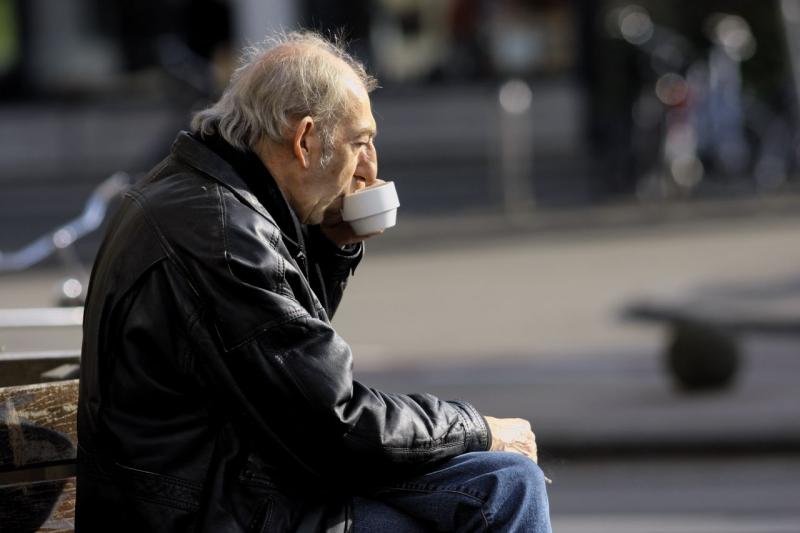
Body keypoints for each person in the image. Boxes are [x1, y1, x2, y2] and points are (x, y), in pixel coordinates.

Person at [76, 31, 551, 532]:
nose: (370, 168)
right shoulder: (225, 236)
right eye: (360, 142)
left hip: (239, 485)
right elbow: (336, 422)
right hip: (215, 511)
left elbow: (282, 372)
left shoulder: (203, 194)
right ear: (304, 141)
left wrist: (331, 247)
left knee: (501, 482)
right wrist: (478, 428)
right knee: (505, 488)